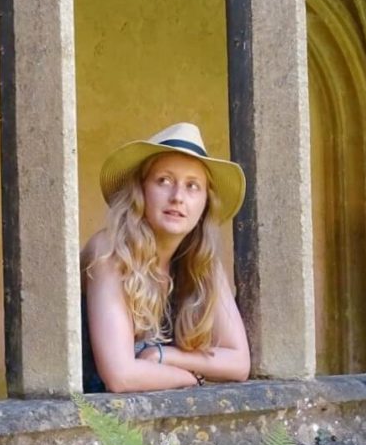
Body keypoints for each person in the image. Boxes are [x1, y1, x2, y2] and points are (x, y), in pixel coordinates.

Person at [81, 122, 251, 393]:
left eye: (193, 186)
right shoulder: (110, 249)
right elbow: (120, 376)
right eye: (164, 181)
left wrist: (165, 356)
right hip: (98, 426)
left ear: (205, 201)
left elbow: (239, 363)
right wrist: (192, 378)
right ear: (141, 190)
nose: (178, 197)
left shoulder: (202, 261)